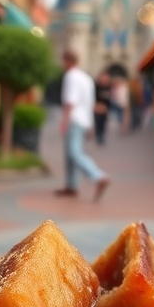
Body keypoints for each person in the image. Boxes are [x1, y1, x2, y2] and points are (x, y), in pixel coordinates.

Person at [55, 49, 110, 202]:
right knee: (70, 153)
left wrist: (64, 120)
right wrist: (91, 124)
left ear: (67, 61)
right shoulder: (87, 78)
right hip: (84, 119)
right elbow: (90, 103)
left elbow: (70, 101)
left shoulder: (71, 76)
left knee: (74, 152)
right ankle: (71, 185)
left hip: (74, 119)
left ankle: (98, 175)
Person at [93, 70, 112, 145]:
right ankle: (98, 135)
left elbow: (109, 98)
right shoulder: (96, 86)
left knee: (103, 122)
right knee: (98, 122)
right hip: (97, 107)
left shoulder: (108, 87)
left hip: (105, 108)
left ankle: (101, 135)